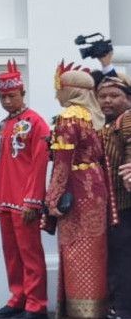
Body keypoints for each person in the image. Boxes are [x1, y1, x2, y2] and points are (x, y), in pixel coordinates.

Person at [46, 62, 114, 319]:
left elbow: (62, 163)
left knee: (76, 249)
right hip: (95, 187)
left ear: (70, 91)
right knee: (95, 249)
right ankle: (96, 310)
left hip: (76, 186)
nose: (57, 94)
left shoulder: (69, 116)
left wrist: (52, 198)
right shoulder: (94, 116)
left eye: (59, 88)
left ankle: (80, 313)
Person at [0, 60, 50, 319]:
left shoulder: (37, 123)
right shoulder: (3, 125)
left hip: (25, 201)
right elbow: (0, 164)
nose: (7, 101)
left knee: (30, 254)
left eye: (11, 96)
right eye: (2, 97)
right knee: (11, 254)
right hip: (5, 200)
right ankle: (17, 298)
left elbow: (39, 164)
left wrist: (33, 200)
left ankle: (37, 304)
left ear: (23, 93)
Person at [94, 73, 131, 318]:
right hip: (111, 207)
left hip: (125, 205)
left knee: (122, 258)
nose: (107, 100)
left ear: (128, 99)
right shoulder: (105, 124)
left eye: (114, 95)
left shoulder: (127, 120)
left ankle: (124, 308)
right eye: (102, 96)